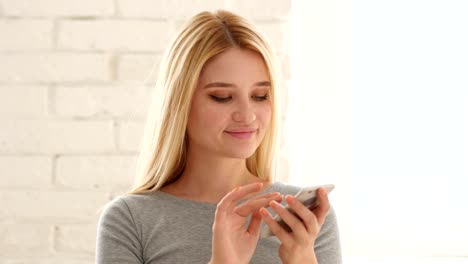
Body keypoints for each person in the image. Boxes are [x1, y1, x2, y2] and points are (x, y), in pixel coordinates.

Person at [96, 10, 341, 264]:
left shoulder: (303, 219)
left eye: (259, 96)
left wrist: (301, 258)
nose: (247, 116)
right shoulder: (131, 220)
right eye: (222, 97)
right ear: (179, 103)